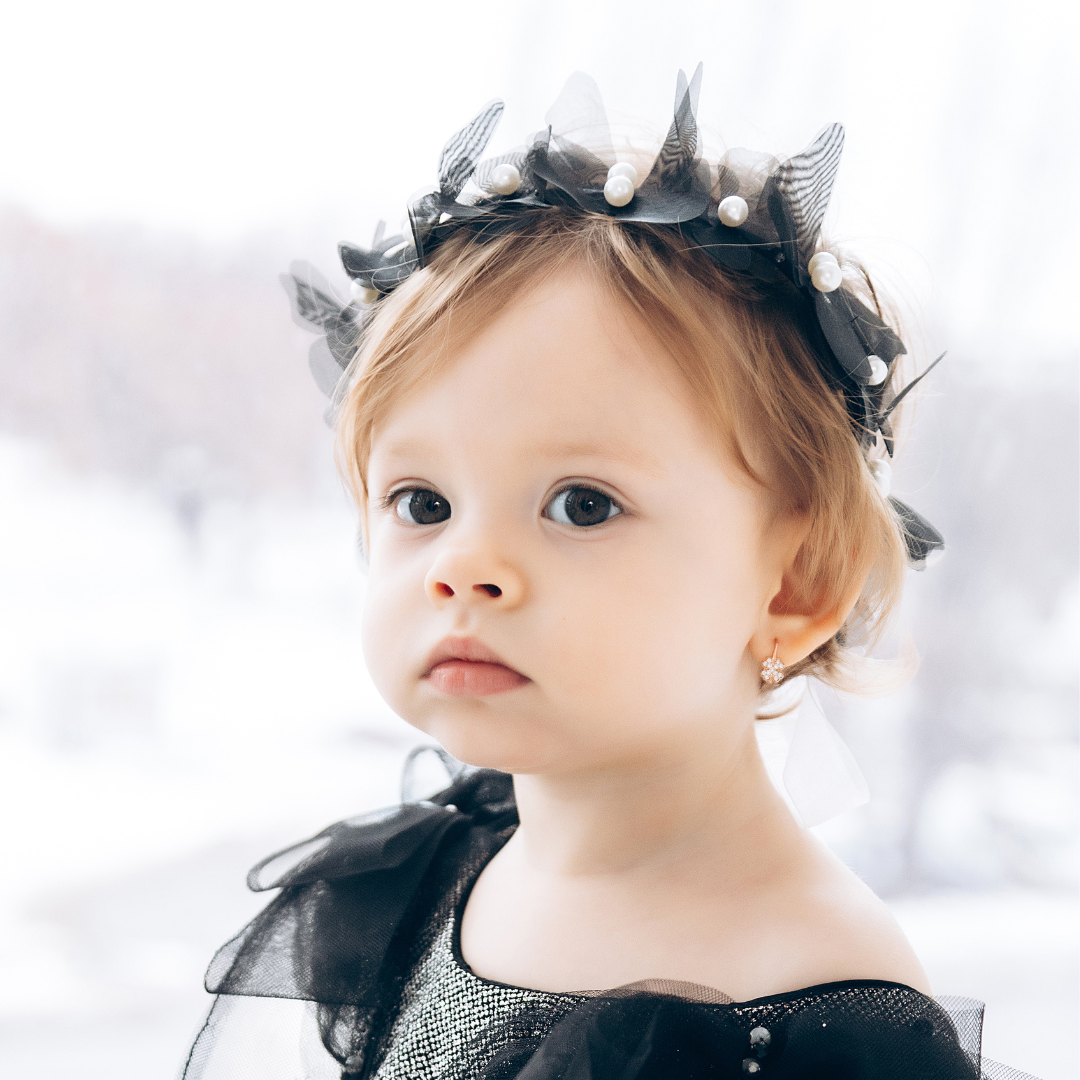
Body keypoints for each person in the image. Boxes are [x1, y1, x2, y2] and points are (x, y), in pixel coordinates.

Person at [180, 69, 1029, 1080]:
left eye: (582, 505)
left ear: (792, 589)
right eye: (422, 504)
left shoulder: (811, 1002)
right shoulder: (430, 877)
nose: (465, 567)